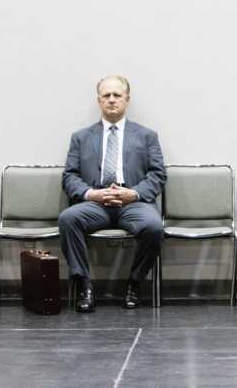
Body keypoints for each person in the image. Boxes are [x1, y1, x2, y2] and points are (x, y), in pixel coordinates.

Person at [59, 75, 167, 312]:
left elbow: (158, 175)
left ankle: (135, 283)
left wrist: (134, 194)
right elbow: (69, 177)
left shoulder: (147, 136)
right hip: (97, 204)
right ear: (98, 101)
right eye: (106, 96)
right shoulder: (81, 137)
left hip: (132, 204)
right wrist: (91, 194)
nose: (111, 100)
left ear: (126, 100)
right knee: (68, 219)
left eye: (117, 95)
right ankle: (84, 285)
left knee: (154, 227)